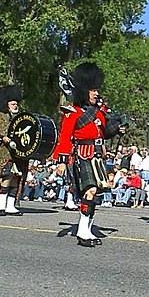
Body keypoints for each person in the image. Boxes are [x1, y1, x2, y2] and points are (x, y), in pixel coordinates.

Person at [53, 62, 125, 247]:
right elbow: (65, 138)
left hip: (97, 157)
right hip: (83, 155)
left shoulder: (99, 113)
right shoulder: (73, 113)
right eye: (92, 90)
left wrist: (117, 128)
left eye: (96, 90)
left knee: (95, 194)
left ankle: (86, 228)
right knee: (90, 191)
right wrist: (61, 161)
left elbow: (105, 132)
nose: (96, 93)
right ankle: (83, 231)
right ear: (84, 90)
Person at [0, 85, 28, 216]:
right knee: (7, 178)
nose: (15, 106)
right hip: (5, 152)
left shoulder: (22, 117)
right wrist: (2, 138)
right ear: (7, 103)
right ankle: (1, 205)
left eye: (16, 103)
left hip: (19, 153)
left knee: (16, 179)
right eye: (13, 103)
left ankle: (11, 206)